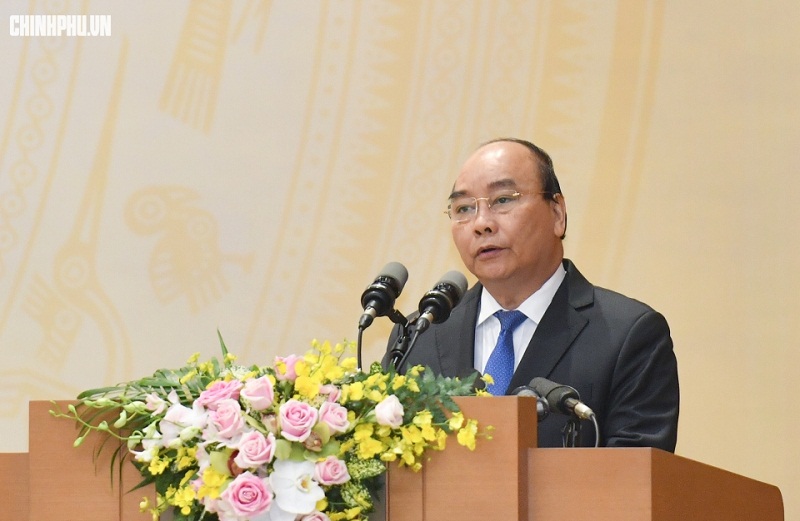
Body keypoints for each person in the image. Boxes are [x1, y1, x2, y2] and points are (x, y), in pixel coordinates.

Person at [382, 137, 679, 451]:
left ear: (557, 214)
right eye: (464, 208)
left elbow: (636, 473)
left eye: (503, 200)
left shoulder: (628, 335)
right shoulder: (420, 335)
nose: (481, 224)